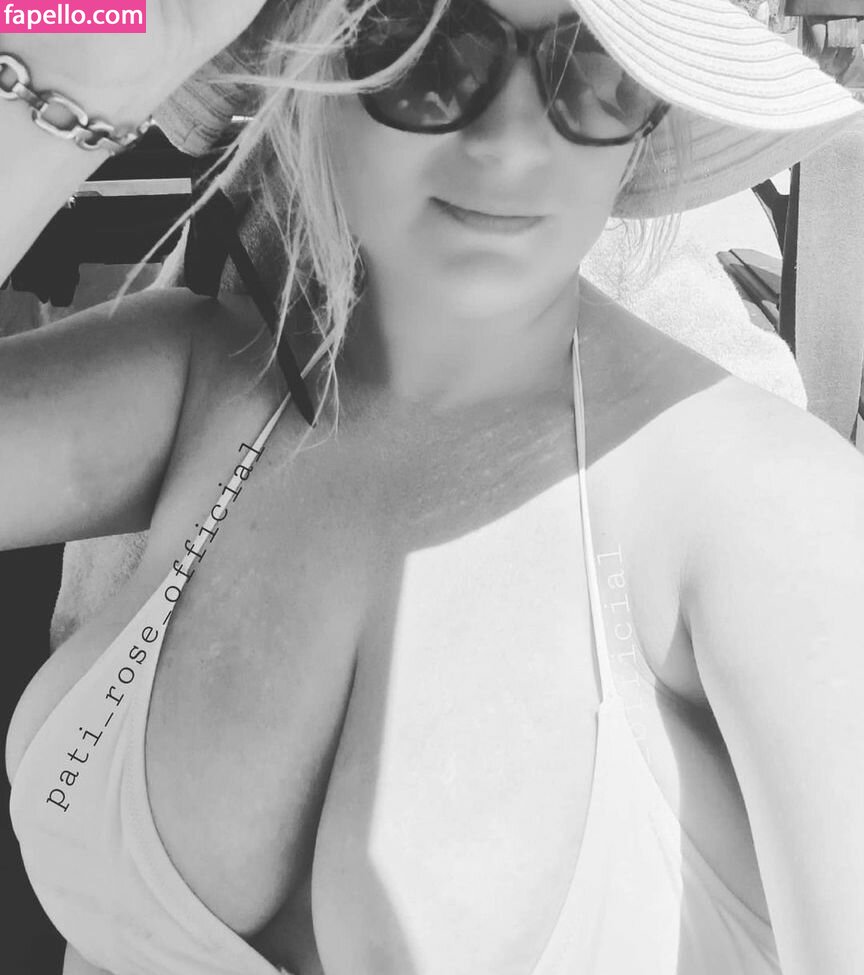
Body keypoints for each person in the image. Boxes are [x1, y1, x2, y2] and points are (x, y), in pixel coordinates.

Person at [2, 1, 864, 973]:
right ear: (304, 72)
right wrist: (82, 78)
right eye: (423, 45)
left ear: (648, 120)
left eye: (591, 66)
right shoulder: (203, 380)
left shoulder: (767, 509)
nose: (510, 143)